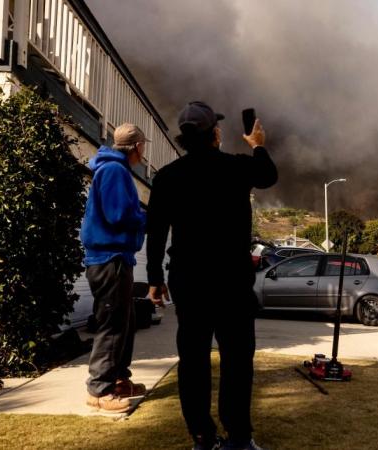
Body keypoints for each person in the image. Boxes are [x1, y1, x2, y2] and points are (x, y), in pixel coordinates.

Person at [147, 101, 277, 450]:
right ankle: (238, 438)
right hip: (232, 282)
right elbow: (268, 176)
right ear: (215, 134)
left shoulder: (168, 176)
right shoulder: (235, 168)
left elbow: (156, 232)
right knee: (237, 361)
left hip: (188, 281)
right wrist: (258, 143)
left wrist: (154, 278)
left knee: (193, 361)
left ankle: (203, 436)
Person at [80, 123, 149, 413]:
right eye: (143, 147)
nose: (144, 153)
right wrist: (148, 218)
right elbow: (118, 214)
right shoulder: (114, 171)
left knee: (124, 323)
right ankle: (100, 390)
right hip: (109, 259)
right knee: (111, 325)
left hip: (117, 258)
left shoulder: (116, 170)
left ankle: (119, 378)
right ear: (136, 147)